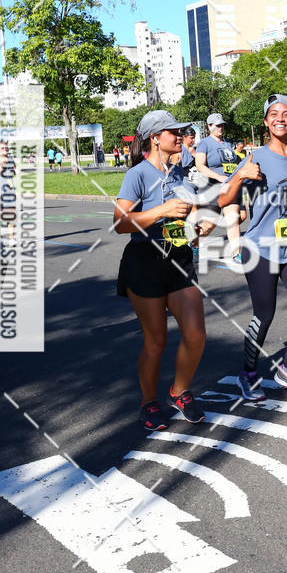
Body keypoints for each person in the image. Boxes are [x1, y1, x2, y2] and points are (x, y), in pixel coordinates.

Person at [218, 94, 287, 402]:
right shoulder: (255, 158)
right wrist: (241, 175)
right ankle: (248, 373)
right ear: (266, 122)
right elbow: (224, 200)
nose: (280, 118)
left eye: (286, 114)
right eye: (274, 114)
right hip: (260, 250)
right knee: (264, 315)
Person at [113, 110, 208, 430]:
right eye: (173, 132)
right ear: (155, 138)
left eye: (181, 132)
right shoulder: (137, 174)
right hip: (145, 261)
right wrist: (161, 211)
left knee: (195, 334)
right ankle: (148, 403)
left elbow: (188, 216)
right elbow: (119, 223)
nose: (180, 136)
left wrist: (197, 226)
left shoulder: (180, 173)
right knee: (156, 341)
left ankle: (179, 392)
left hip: (179, 258)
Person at [195, 113, 245, 261]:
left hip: (229, 187)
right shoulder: (204, 143)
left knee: (232, 219)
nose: (220, 128)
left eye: (222, 125)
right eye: (217, 125)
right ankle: (194, 244)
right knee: (209, 224)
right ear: (209, 126)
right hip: (212, 187)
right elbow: (199, 166)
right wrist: (218, 177)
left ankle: (236, 254)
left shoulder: (228, 143)